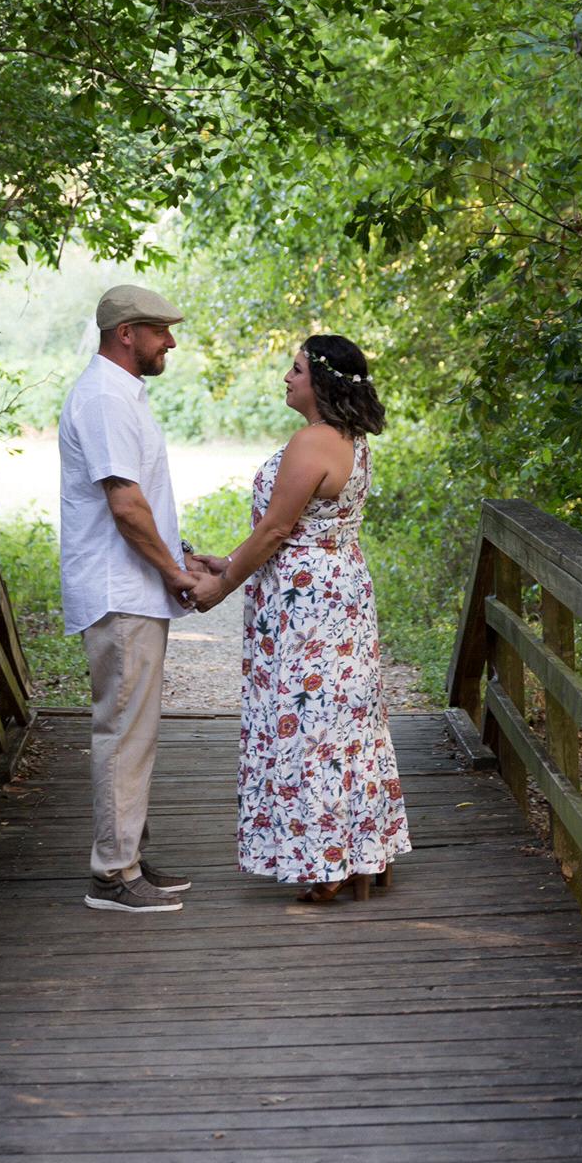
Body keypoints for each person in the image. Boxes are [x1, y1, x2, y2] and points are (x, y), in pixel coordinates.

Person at [190, 335, 411, 900]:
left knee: (309, 723)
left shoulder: (312, 440)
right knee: (349, 722)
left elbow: (275, 530)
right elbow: (296, 528)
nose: (286, 378)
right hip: (340, 588)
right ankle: (365, 851)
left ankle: (328, 865)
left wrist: (221, 586)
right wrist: (228, 560)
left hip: (306, 603)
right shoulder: (350, 437)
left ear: (322, 381)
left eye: (296, 370)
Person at [59, 282, 199, 916]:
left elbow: (144, 501)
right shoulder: (104, 398)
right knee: (122, 731)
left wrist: (180, 555)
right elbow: (125, 504)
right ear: (126, 334)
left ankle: (129, 855)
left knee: (135, 731)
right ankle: (113, 875)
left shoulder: (121, 394)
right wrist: (173, 572)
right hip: (121, 590)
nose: (170, 341)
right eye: (160, 330)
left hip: (131, 586)